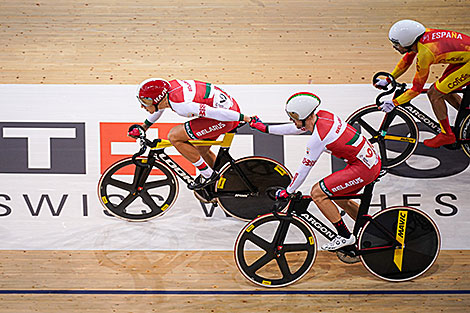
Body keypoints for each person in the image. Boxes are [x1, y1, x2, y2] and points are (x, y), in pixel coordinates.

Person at [249, 92, 381, 251]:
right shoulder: (322, 116)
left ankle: (345, 236)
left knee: (317, 193)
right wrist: (265, 128)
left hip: (363, 168)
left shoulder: (318, 138)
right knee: (338, 196)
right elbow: (294, 128)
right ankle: (374, 232)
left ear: (305, 117)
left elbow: (304, 168)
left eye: (294, 118)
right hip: (367, 162)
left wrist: (288, 191)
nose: (292, 121)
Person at [129, 78, 252, 191]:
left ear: (157, 99)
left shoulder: (181, 104)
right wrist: (144, 127)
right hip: (226, 110)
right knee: (201, 150)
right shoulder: (168, 91)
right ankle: (224, 183)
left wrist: (243, 118)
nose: (142, 105)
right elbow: (159, 108)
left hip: (225, 117)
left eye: (145, 101)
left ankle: (208, 175)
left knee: (174, 136)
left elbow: (214, 112)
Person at [375, 19, 470, 148]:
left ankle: (447, 135)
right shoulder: (420, 37)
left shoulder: (426, 53)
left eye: (397, 44)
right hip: (465, 58)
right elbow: (406, 61)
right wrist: (389, 79)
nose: (394, 47)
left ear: (407, 42)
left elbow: (416, 89)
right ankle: (467, 120)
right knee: (444, 90)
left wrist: (394, 102)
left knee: (434, 93)